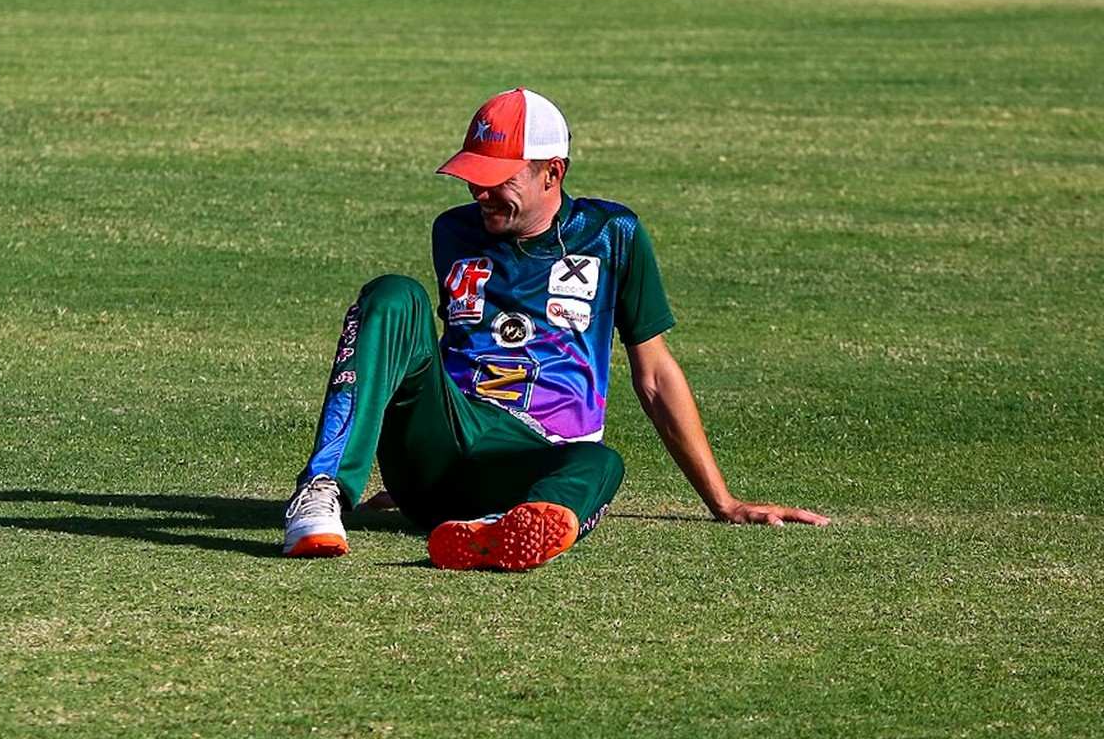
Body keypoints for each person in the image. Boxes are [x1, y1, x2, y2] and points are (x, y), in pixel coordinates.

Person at [282, 87, 828, 570]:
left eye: (497, 179)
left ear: (552, 172)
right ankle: (323, 491)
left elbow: (656, 375)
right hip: (446, 438)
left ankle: (501, 528)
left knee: (600, 462)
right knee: (392, 293)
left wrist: (723, 502)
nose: (479, 193)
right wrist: (414, 456)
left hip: (535, 455)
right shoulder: (452, 231)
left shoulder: (613, 234)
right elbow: (421, 360)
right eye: (473, 177)